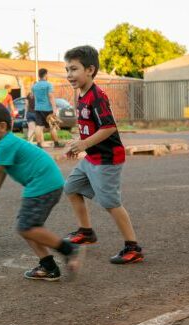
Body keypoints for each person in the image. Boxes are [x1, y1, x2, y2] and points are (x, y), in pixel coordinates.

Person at [0, 102, 83, 281]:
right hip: (46, 184)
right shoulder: (7, 143)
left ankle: (68, 249)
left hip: (43, 185)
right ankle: (49, 267)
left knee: (26, 227)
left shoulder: (6, 145)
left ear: (2, 127)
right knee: (27, 226)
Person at [63, 45, 143, 264]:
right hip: (92, 157)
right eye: (67, 69)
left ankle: (133, 247)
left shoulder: (97, 96)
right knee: (71, 187)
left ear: (89, 69)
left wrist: (85, 143)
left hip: (108, 159)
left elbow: (108, 127)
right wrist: (77, 145)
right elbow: (89, 125)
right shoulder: (80, 93)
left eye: (74, 69)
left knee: (111, 203)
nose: (69, 75)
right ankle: (86, 232)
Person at [32, 69, 64, 148]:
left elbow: (34, 97)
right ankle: (56, 144)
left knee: (38, 126)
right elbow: (51, 96)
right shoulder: (48, 85)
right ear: (46, 74)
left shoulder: (34, 86)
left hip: (38, 108)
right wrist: (54, 108)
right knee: (52, 127)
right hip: (48, 109)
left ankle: (39, 144)